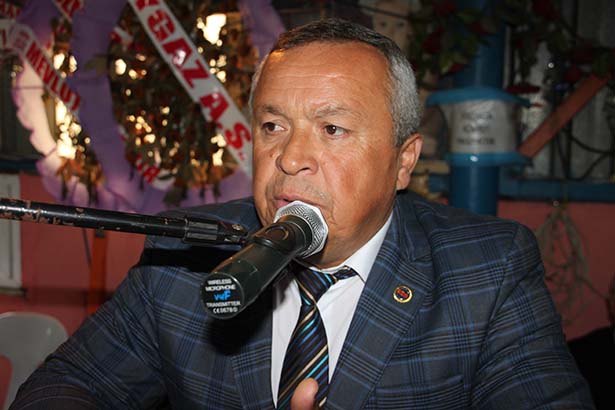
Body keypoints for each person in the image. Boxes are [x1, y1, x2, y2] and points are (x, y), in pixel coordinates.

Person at [11, 18, 594, 409]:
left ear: (403, 161)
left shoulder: (487, 270)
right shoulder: (185, 259)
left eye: (332, 129)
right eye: (272, 126)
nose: (289, 158)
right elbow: (67, 386)